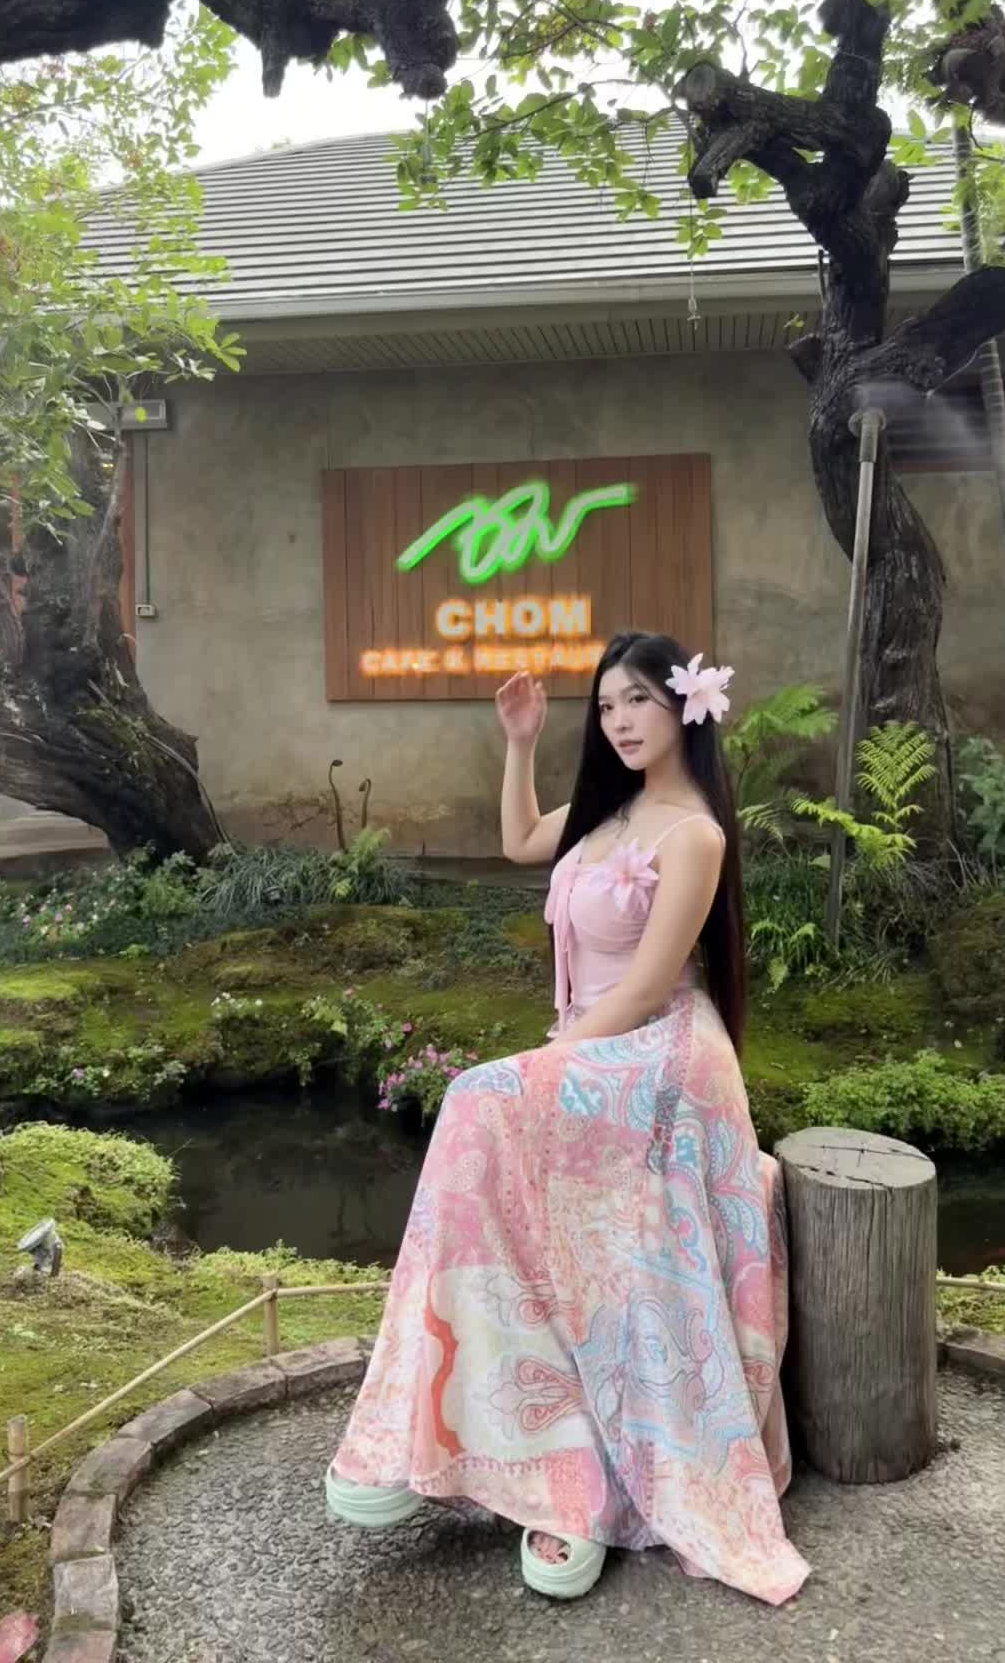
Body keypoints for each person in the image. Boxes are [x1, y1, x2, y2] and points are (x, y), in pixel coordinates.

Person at [325, 630, 809, 1607]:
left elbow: (646, 986)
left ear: (685, 709)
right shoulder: (609, 812)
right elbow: (516, 841)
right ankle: (448, 1431)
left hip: (663, 1057)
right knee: (501, 1187)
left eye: (639, 701)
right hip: (595, 1048)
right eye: (607, 705)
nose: (621, 721)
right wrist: (519, 741)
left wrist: (549, 1063)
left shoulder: (694, 834)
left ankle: (566, 1478)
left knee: (477, 1100)